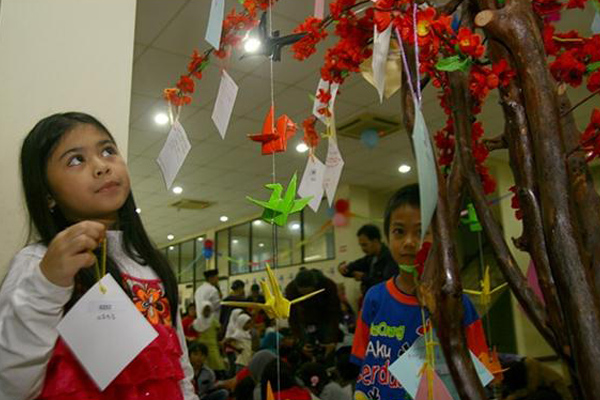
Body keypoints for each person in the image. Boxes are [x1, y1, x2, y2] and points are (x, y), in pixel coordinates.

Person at [0, 112, 197, 399]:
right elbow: (11, 386)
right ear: (47, 195)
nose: (102, 166)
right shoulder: (37, 264)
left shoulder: (151, 264)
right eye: (76, 159)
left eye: (108, 150)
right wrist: (47, 284)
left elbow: (180, 369)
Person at [351, 184, 488, 400]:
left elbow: (478, 372)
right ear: (387, 237)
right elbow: (362, 361)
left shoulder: (459, 305)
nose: (409, 242)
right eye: (399, 231)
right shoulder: (374, 298)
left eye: (421, 232)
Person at [285, 268, 342, 362]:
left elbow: (334, 314)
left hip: (324, 317)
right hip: (304, 319)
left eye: (309, 293)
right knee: (306, 347)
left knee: (328, 348)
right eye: (303, 294)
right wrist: (300, 343)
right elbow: (293, 317)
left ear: (315, 287)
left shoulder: (328, 285)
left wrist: (332, 340)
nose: (307, 296)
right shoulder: (291, 289)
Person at [338, 224, 397, 295]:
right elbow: (352, 268)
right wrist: (342, 268)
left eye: (365, 245)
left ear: (375, 241)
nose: (362, 249)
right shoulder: (369, 258)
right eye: (361, 245)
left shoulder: (390, 257)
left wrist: (364, 277)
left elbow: (387, 284)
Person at [195, 301, 226, 377]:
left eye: (208, 310)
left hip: (213, 345)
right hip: (201, 346)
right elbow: (191, 328)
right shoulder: (198, 321)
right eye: (205, 310)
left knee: (216, 364)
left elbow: (220, 330)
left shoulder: (213, 320)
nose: (207, 312)